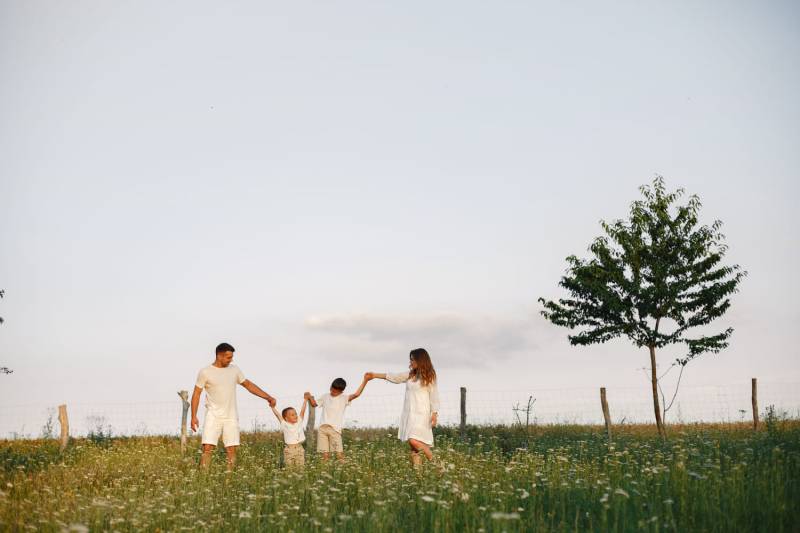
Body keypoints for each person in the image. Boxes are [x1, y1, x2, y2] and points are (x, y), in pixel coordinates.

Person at [190, 342, 277, 470]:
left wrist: (267, 397)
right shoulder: (205, 372)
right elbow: (196, 394)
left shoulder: (234, 369)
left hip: (231, 416)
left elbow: (248, 385)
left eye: (231, 357)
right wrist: (193, 416)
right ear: (219, 356)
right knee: (207, 448)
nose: (231, 360)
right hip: (213, 416)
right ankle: (203, 477)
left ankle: (229, 478)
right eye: (228, 357)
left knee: (231, 449)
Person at [365, 348, 440, 467]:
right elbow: (395, 377)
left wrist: (434, 414)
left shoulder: (429, 376)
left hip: (421, 414)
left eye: (412, 360)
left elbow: (434, 396)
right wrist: (374, 375)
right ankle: (418, 476)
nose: (410, 363)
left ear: (420, 360)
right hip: (409, 414)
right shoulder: (410, 375)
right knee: (413, 448)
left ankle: (438, 465)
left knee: (413, 440)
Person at [307, 376, 368, 462]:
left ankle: (343, 473)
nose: (332, 391)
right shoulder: (325, 396)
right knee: (324, 456)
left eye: (335, 391)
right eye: (331, 388)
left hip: (335, 430)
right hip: (322, 429)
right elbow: (314, 404)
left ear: (341, 392)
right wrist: (309, 396)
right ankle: (325, 473)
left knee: (339, 455)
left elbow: (356, 394)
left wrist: (365, 380)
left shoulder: (344, 398)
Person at [270, 392, 312, 468]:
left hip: (299, 448)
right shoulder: (284, 424)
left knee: (301, 468)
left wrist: (305, 400)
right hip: (289, 450)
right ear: (286, 418)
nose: (295, 416)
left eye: (295, 414)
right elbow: (278, 415)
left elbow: (302, 411)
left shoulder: (299, 422)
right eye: (292, 415)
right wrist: (272, 407)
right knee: (290, 468)